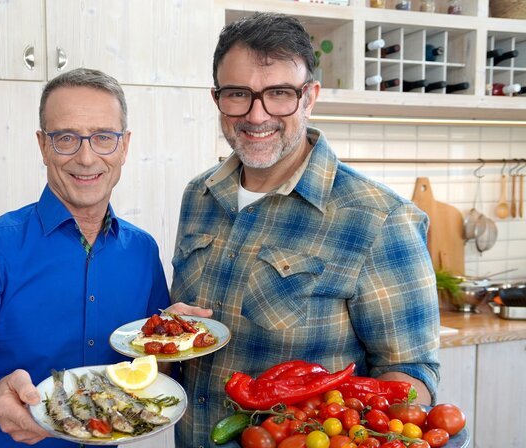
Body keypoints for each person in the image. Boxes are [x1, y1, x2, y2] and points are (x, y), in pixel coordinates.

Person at [170, 12, 441, 447]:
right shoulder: (198, 196)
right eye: (238, 94)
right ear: (217, 98)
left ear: (309, 96)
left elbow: (410, 374)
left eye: (279, 94)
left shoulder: (379, 217)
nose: (256, 115)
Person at [0, 68, 171, 447]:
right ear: (43, 146)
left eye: (104, 138)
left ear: (124, 146)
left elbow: (149, 361)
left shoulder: (143, 250)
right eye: (66, 139)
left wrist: (180, 332)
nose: (87, 157)